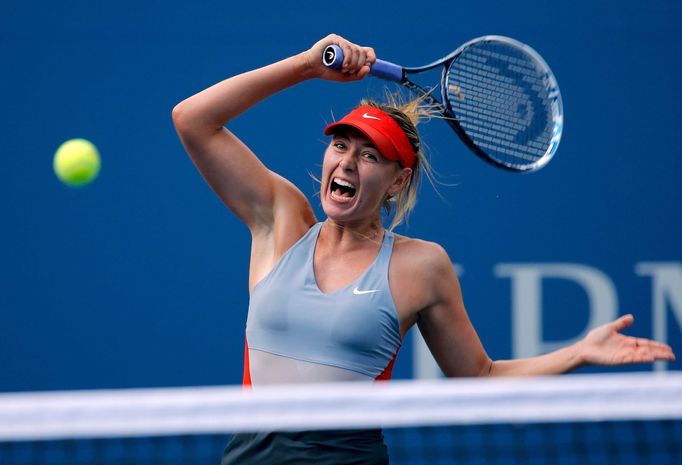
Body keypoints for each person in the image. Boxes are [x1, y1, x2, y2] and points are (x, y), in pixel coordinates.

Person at [172, 34, 676, 465]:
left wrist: (579, 353)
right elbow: (193, 119)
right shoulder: (281, 220)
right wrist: (307, 65)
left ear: (397, 182)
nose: (347, 163)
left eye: (370, 155)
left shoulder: (419, 265)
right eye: (341, 145)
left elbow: (478, 378)